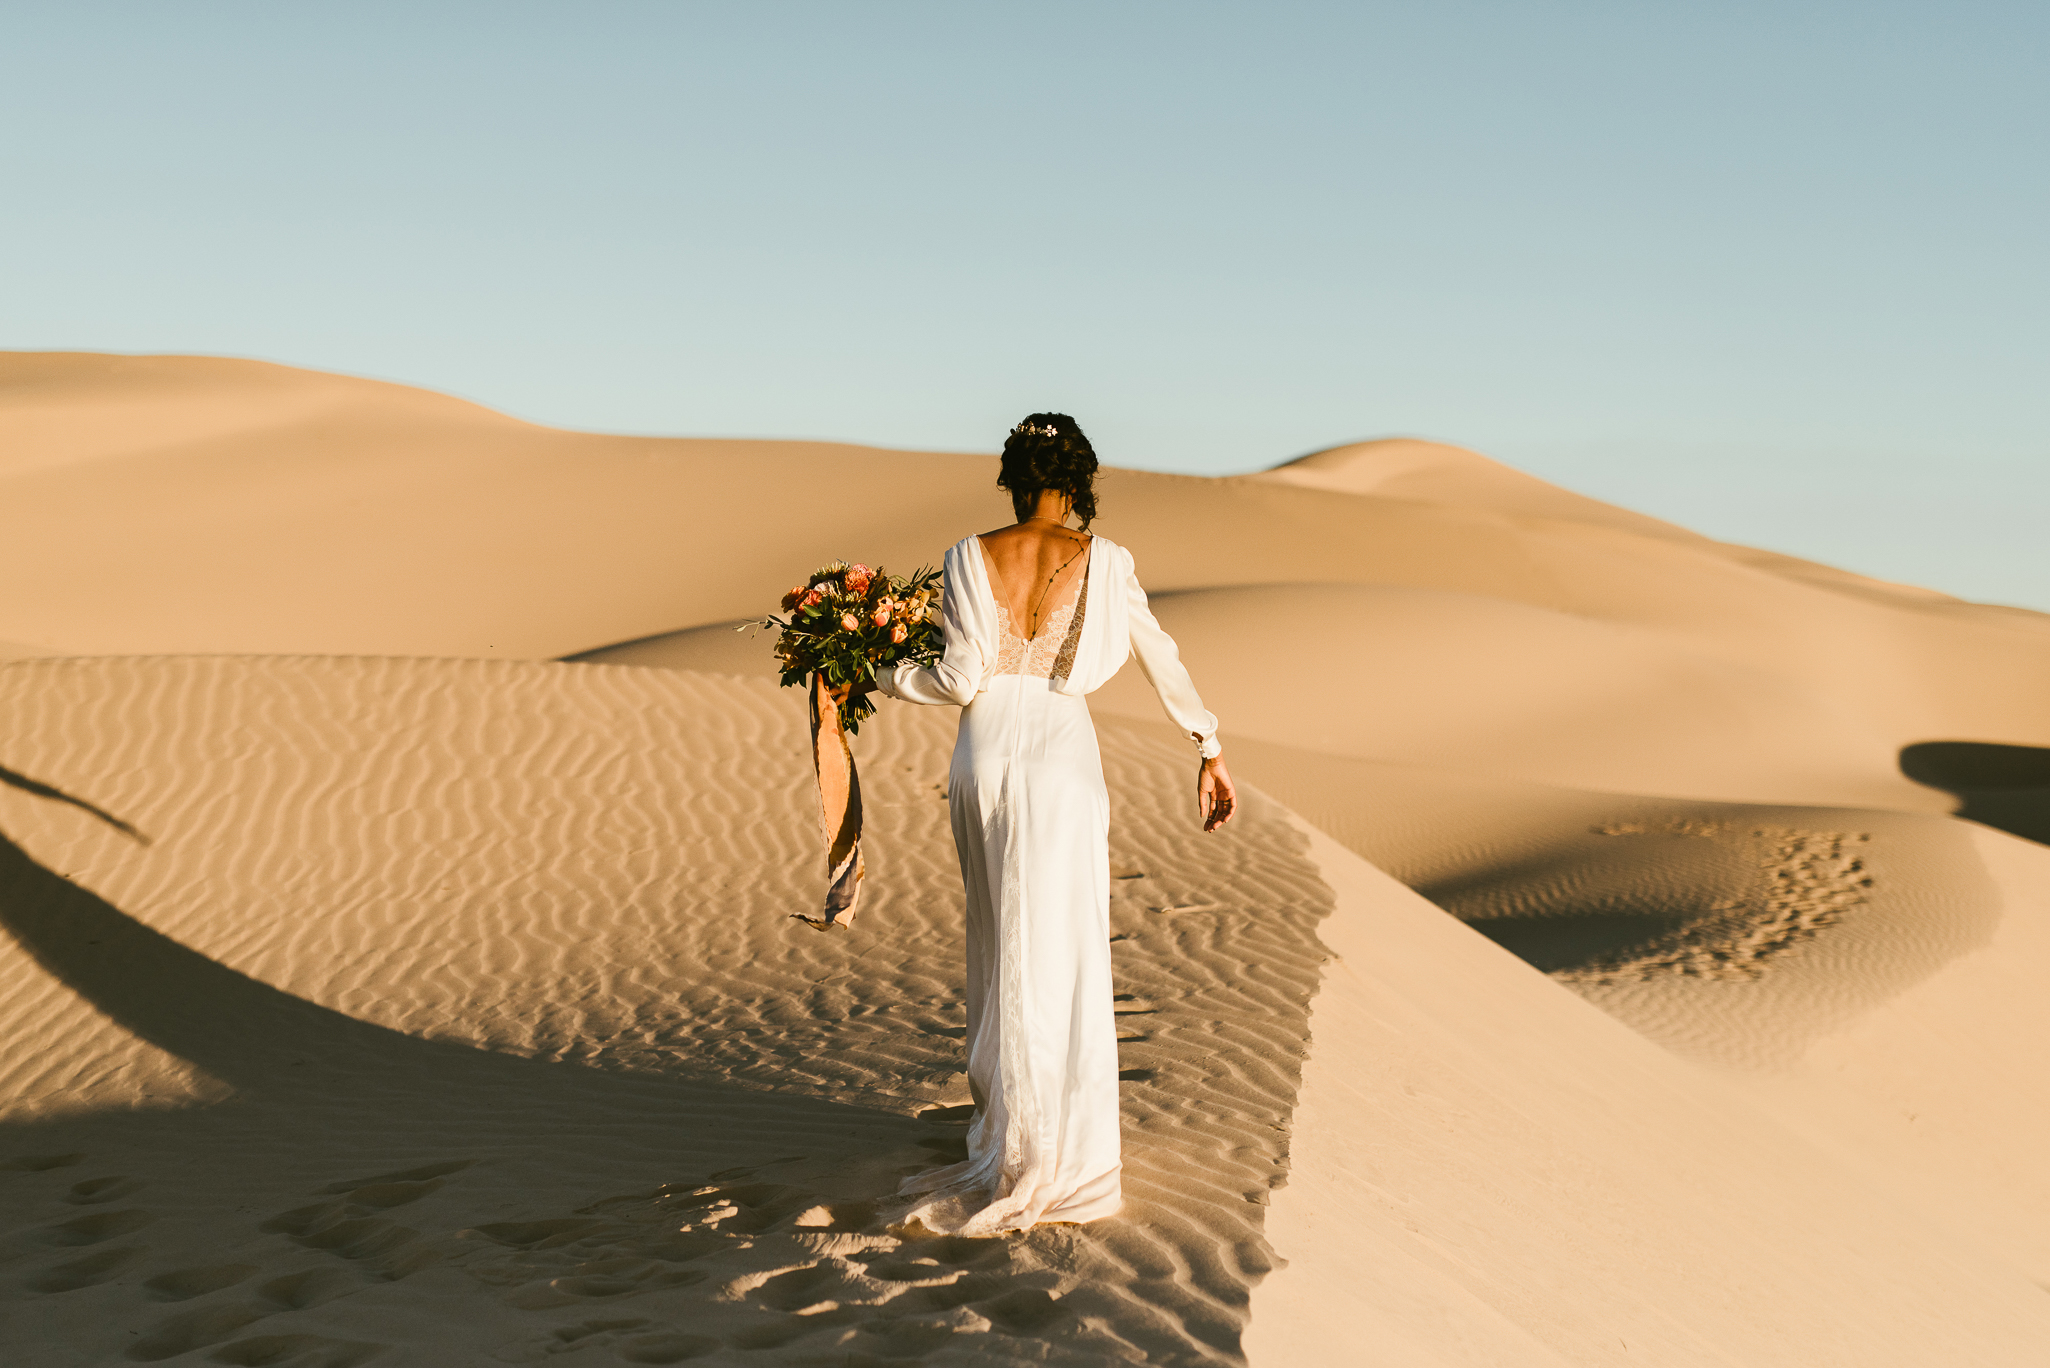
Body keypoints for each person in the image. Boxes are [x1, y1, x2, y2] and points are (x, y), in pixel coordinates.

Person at [835, 412, 1235, 1234]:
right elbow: (1161, 655)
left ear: (1013, 477)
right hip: (1062, 759)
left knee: (1002, 938)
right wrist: (1208, 744)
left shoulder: (966, 556)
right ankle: (1059, 1146)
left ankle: (1011, 1135)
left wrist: (870, 671)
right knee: (1065, 944)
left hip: (983, 761)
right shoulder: (1108, 562)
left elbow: (957, 677)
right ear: (1078, 482)